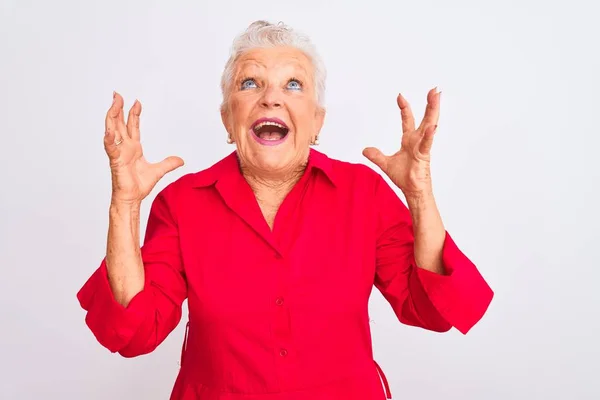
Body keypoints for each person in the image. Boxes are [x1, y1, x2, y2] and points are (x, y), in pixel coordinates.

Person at [77, 20, 493, 400]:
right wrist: (125, 205)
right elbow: (132, 333)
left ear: (316, 121)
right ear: (227, 119)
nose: (271, 98)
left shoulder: (363, 194)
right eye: (250, 84)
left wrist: (419, 194)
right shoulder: (183, 203)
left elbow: (433, 310)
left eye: (293, 84)